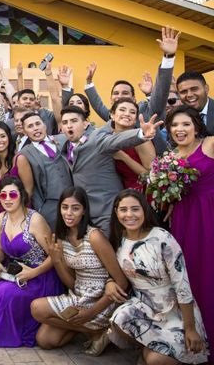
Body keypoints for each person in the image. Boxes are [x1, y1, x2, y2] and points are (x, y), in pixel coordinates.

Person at [106, 190, 209, 365]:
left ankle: (155, 353)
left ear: (144, 211)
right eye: (123, 209)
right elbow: (114, 270)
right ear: (116, 212)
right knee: (119, 319)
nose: (129, 215)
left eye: (135, 209)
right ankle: (149, 349)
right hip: (143, 307)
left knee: (155, 360)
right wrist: (109, 282)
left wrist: (190, 328)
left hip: (173, 310)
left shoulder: (162, 238)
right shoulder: (118, 239)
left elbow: (181, 284)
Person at [0, 176, 63, 347]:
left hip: (40, 275)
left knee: (6, 293)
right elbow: (0, 249)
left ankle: (5, 332)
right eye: (3, 195)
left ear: (21, 195)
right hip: (15, 271)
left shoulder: (35, 220)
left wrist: (32, 273)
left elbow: (55, 256)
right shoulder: (2, 218)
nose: (7, 199)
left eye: (12, 195)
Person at [30, 186, 128, 356]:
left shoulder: (94, 237)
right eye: (65, 207)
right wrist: (57, 260)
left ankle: (99, 326)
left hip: (102, 301)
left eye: (75, 208)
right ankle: (94, 332)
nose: (69, 213)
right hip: (80, 296)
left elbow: (122, 282)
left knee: (37, 308)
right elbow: (72, 284)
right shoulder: (61, 238)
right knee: (45, 340)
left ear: (84, 211)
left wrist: (90, 312)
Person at [58, 105, 161, 234]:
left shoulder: (96, 137)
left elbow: (117, 140)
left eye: (74, 121)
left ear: (85, 124)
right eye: (65, 122)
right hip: (85, 214)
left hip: (107, 211)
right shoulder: (63, 144)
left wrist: (141, 133)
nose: (69, 126)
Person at [165, 105, 214, 348]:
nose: (179, 129)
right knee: (189, 275)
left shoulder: (210, 144)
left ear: (196, 125)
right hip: (184, 219)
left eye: (185, 124)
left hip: (210, 214)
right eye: (174, 125)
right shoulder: (170, 157)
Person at [15, 112, 73, 229]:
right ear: (25, 132)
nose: (35, 128)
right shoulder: (24, 154)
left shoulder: (63, 139)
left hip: (74, 198)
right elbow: (29, 188)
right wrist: (41, 209)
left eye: (38, 124)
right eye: (30, 126)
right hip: (50, 206)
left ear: (45, 125)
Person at [110, 98, 154, 190]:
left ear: (135, 120)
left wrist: (124, 157)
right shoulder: (107, 138)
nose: (127, 114)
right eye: (122, 110)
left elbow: (151, 176)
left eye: (132, 112)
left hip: (143, 191)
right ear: (112, 115)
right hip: (119, 191)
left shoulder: (141, 139)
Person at [176, 71, 214, 136]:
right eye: (183, 91)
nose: (189, 95)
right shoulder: (178, 117)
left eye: (194, 89)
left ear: (206, 89)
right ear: (179, 95)